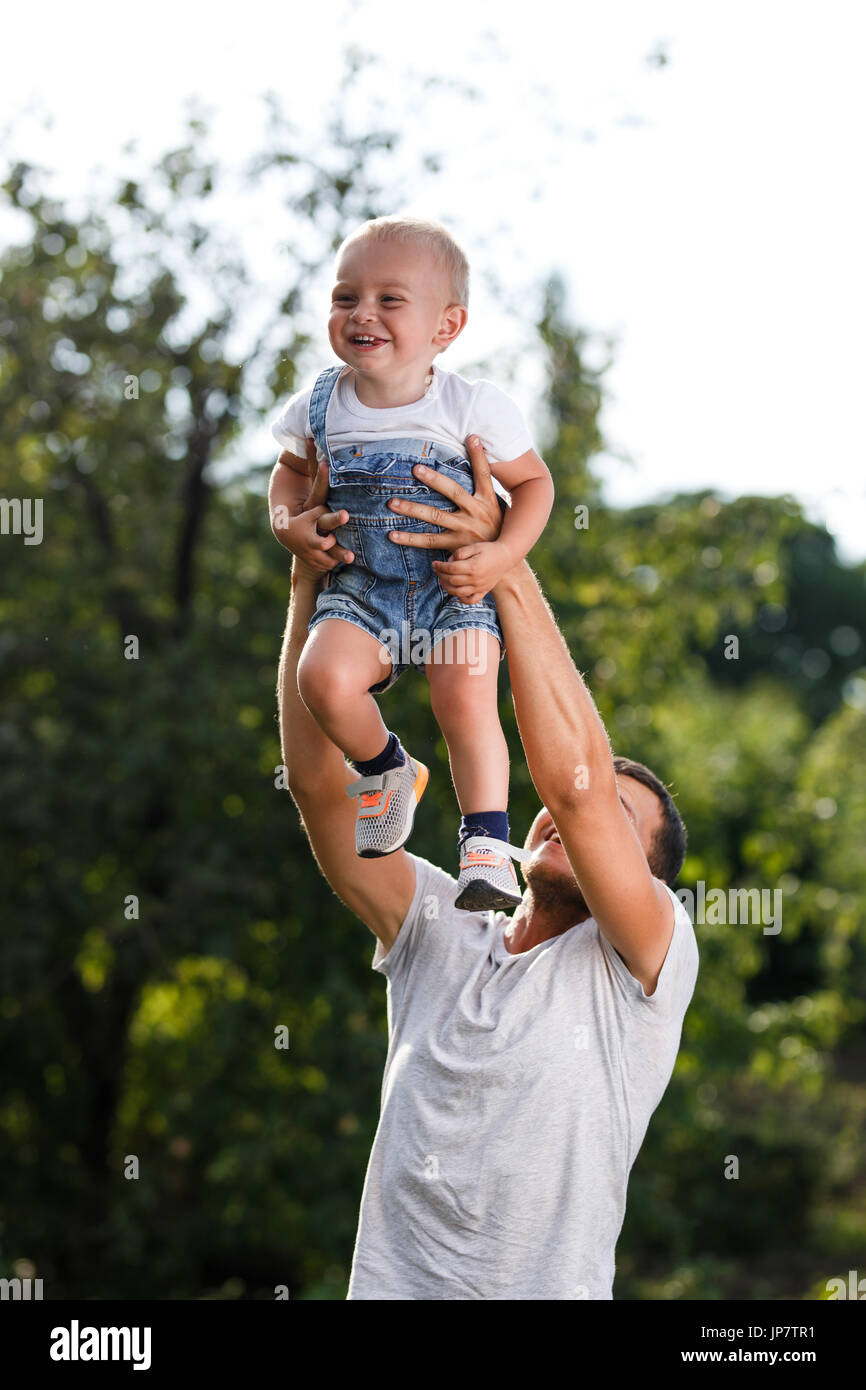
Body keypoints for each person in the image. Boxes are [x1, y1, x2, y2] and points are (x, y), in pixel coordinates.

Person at [275, 437, 700, 1301]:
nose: (566, 815)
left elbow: (576, 786)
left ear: (642, 879)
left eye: (623, 825)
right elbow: (321, 789)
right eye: (558, 812)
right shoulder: (441, 926)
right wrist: (316, 587)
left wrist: (504, 559)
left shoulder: (645, 967)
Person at [268, 215, 554, 910]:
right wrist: (289, 524)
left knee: (467, 699)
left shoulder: (470, 405)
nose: (362, 312)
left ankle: (486, 845)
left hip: (449, 587)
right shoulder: (319, 402)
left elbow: (535, 486)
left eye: (389, 299)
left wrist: (499, 556)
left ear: (446, 326)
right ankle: (387, 765)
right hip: (359, 587)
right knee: (323, 678)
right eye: (345, 298)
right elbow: (287, 472)